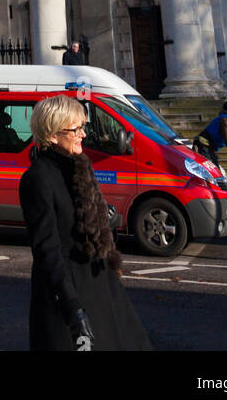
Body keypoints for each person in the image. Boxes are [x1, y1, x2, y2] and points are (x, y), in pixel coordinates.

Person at [18, 93, 152, 352]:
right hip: (69, 291)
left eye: (83, 127)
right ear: (53, 134)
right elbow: (46, 250)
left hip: (100, 281)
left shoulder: (79, 165)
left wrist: (103, 218)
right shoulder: (38, 178)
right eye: (75, 128)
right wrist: (72, 309)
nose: (83, 134)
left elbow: (82, 215)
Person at [194, 99, 227, 172]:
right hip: (203, 146)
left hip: (208, 147)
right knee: (214, 173)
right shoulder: (225, 120)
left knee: (216, 173)